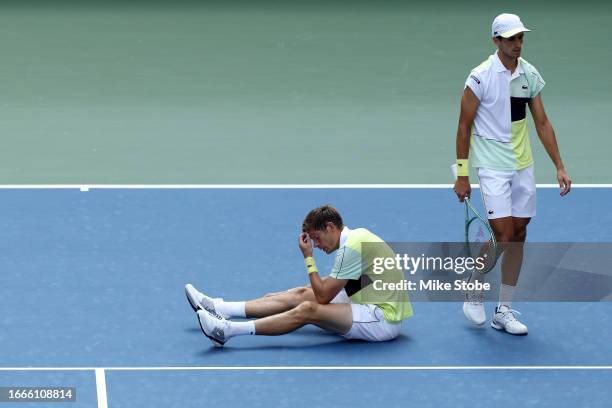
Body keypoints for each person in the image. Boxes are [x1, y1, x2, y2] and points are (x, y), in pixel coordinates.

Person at [454, 13, 571, 335]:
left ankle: (503, 310)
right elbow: (464, 126)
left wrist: (559, 165)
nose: (517, 44)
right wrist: (462, 174)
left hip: (523, 166)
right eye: (510, 39)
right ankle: (474, 287)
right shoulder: (479, 78)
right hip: (491, 166)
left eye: (520, 38)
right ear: (496, 41)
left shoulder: (529, 75)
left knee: (519, 235)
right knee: (503, 236)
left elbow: (542, 123)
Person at [185, 205, 412, 347]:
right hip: (364, 294)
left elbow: (323, 297)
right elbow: (359, 281)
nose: (316, 245)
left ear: (331, 227)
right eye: (312, 241)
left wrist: (308, 257)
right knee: (301, 293)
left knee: (308, 309)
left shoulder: (352, 247)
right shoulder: (355, 238)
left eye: (317, 238)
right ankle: (220, 307)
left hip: (383, 319)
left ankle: (226, 331)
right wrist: (283, 299)